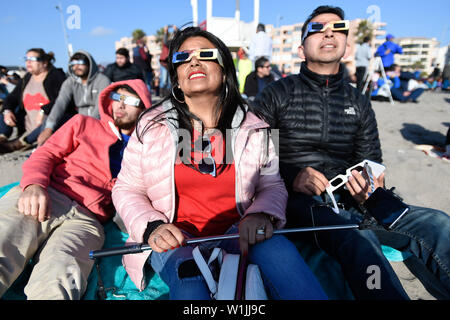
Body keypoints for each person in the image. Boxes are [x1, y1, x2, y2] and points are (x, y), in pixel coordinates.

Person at [111, 27, 328, 300]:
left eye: (206, 54)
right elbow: (126, 188)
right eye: (183, 57)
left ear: (224, 69)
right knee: (190, 285)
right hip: (176, 240)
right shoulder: (151, 125)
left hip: (242, 232)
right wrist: (152, 226)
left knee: (284, 260)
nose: (194, 61)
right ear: (176, 78)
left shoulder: (257, 126)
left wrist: (260, 215)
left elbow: (272, 184)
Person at [251, 5, 450, 300]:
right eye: (317, 28)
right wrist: (293, 176)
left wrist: (371, 182)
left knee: (437, 223)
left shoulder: (358, 100)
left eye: (338, 29)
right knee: (358, 238)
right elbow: (249, 158)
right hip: (297, 202)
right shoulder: (275, 93)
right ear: (301, 47)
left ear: (346, 44)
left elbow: (371, 158)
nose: (329, 32)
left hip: (355, 199)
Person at [0, 79, 151, 299]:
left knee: (59, 279)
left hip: (87, 220)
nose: (120, 104)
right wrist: (34, 184)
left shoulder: (148, 146)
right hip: (48, 193)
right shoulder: (83, 123)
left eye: (130, 100)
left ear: (144, 105)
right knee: (5, 242)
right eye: (117, 97)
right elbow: (45, 153)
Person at [36, 50, 111, 147]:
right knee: (51, 121)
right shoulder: (70, 82)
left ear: (90, 64)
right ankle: (39, 147)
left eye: (80, 63)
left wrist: (86, 127)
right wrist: (48, 128)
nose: (76, 67)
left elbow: (100, 107)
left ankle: (24, 143)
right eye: (73, 64)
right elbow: (60, 103)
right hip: (79, 119)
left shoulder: (102, 80)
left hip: (98, 122)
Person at [0, 49, 66, 152]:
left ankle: (19, 143)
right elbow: (12, 98)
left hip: (48, 125)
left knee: (52, 119)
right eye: (26, 59)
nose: (28, 62)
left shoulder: (56, 76)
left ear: (44, 63)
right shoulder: (27, 78)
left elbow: (63, 99)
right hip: (28, 124)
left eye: (32, 59)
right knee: (5, 110)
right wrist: (7, 111)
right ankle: (2, 137)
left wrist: (44, 110)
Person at [159, 25, 178, 97]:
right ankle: (161, 94)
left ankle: (168, 95)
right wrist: (165, 31)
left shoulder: (173, 43)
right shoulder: (165, 42)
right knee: (164, 80)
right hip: (164, 62)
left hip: (170, 63)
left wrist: (175, 30)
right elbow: (166, 41)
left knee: (170, 81)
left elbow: (177, 38)